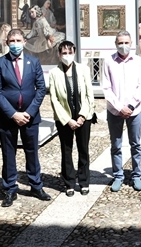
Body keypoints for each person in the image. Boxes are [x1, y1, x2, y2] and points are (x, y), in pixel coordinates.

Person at [0, 28, 51, 207]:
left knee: (32, 152)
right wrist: (12, 114)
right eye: (12, 41)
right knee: (9, 154)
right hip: (8, 117)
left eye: (18, 40)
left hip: (30, 116)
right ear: (7, 43)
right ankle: (9, 189)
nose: (15, 44)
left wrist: (29, 112)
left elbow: (41, 89)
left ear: (24, 42)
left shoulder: (34, 62)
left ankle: (36, 185)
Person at [48, 40, 95, 197]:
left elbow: (89, 95)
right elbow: (54, 99)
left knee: (83, 150)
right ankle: (68, 182)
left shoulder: (83, 69)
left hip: (83, 116)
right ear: (59, 54)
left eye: (70, 52)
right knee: (66, 150)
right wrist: (67, 120)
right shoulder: (54, 73)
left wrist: (82, 116)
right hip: (64, 119)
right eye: (64, 53)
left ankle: (84, 181)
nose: (67, 55)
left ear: (74, 52)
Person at [102, 31, 141, 192]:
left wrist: (131, 106)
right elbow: (106, 87)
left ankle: (136, 176)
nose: (124, 46)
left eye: (127, 42)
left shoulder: (137, 61)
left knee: (136, 144)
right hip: (115, 111)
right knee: (116, 145)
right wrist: (120, 107)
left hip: (134, 111)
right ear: (115, 44)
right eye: (120, 43)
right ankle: (118, 176)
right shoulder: (108, 61)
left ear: (132, 43)